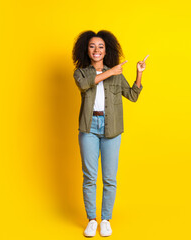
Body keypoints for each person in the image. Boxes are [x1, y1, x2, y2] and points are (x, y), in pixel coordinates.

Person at [72, 30, 148, 237]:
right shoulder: (81, 73)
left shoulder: (116, 73)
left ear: (106, 51)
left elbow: (132, 96)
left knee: (109, 178)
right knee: (89, 177)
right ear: (86, 51)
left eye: (101, 47)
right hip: (88, 128)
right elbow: (85, 84)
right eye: (92, 46)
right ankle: (91, 220)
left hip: (112, 129)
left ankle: (105, 219)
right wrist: (111, 72)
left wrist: (139, 73)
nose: (96, 50)